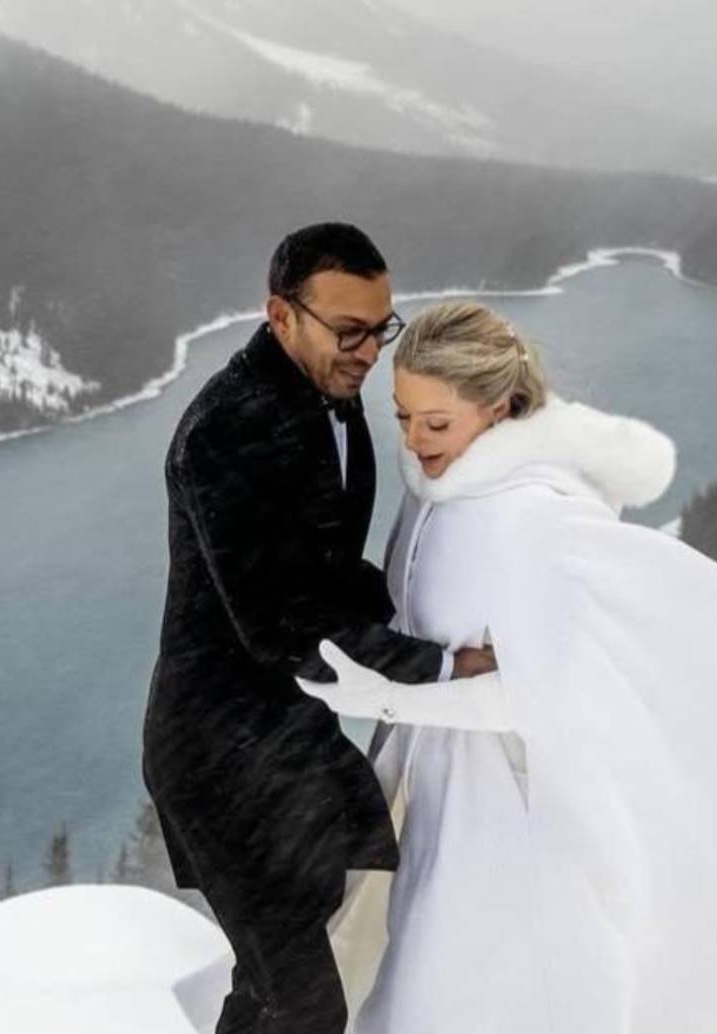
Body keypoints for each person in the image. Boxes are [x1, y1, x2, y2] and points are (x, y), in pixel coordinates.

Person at [300, 300, 717, 1034]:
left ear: (498, 409)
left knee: (468, 990)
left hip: (505, 815)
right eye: (403, 417)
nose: (414, 440)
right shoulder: (439, 487)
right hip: (434, 789)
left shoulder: (535, 520)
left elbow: (538, 697)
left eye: (435, 423)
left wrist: (392, 698)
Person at [141, 226, 494, 1034]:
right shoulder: (227, 432)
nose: (369, 351)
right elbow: (282, 626)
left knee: (270, 985)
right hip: (219, 761)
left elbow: (328, 569)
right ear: (280, 314)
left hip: (282, 742)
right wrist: (443, 666)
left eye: (381, 327)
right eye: (349, 331)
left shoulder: (321, 393)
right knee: (306, 1004)